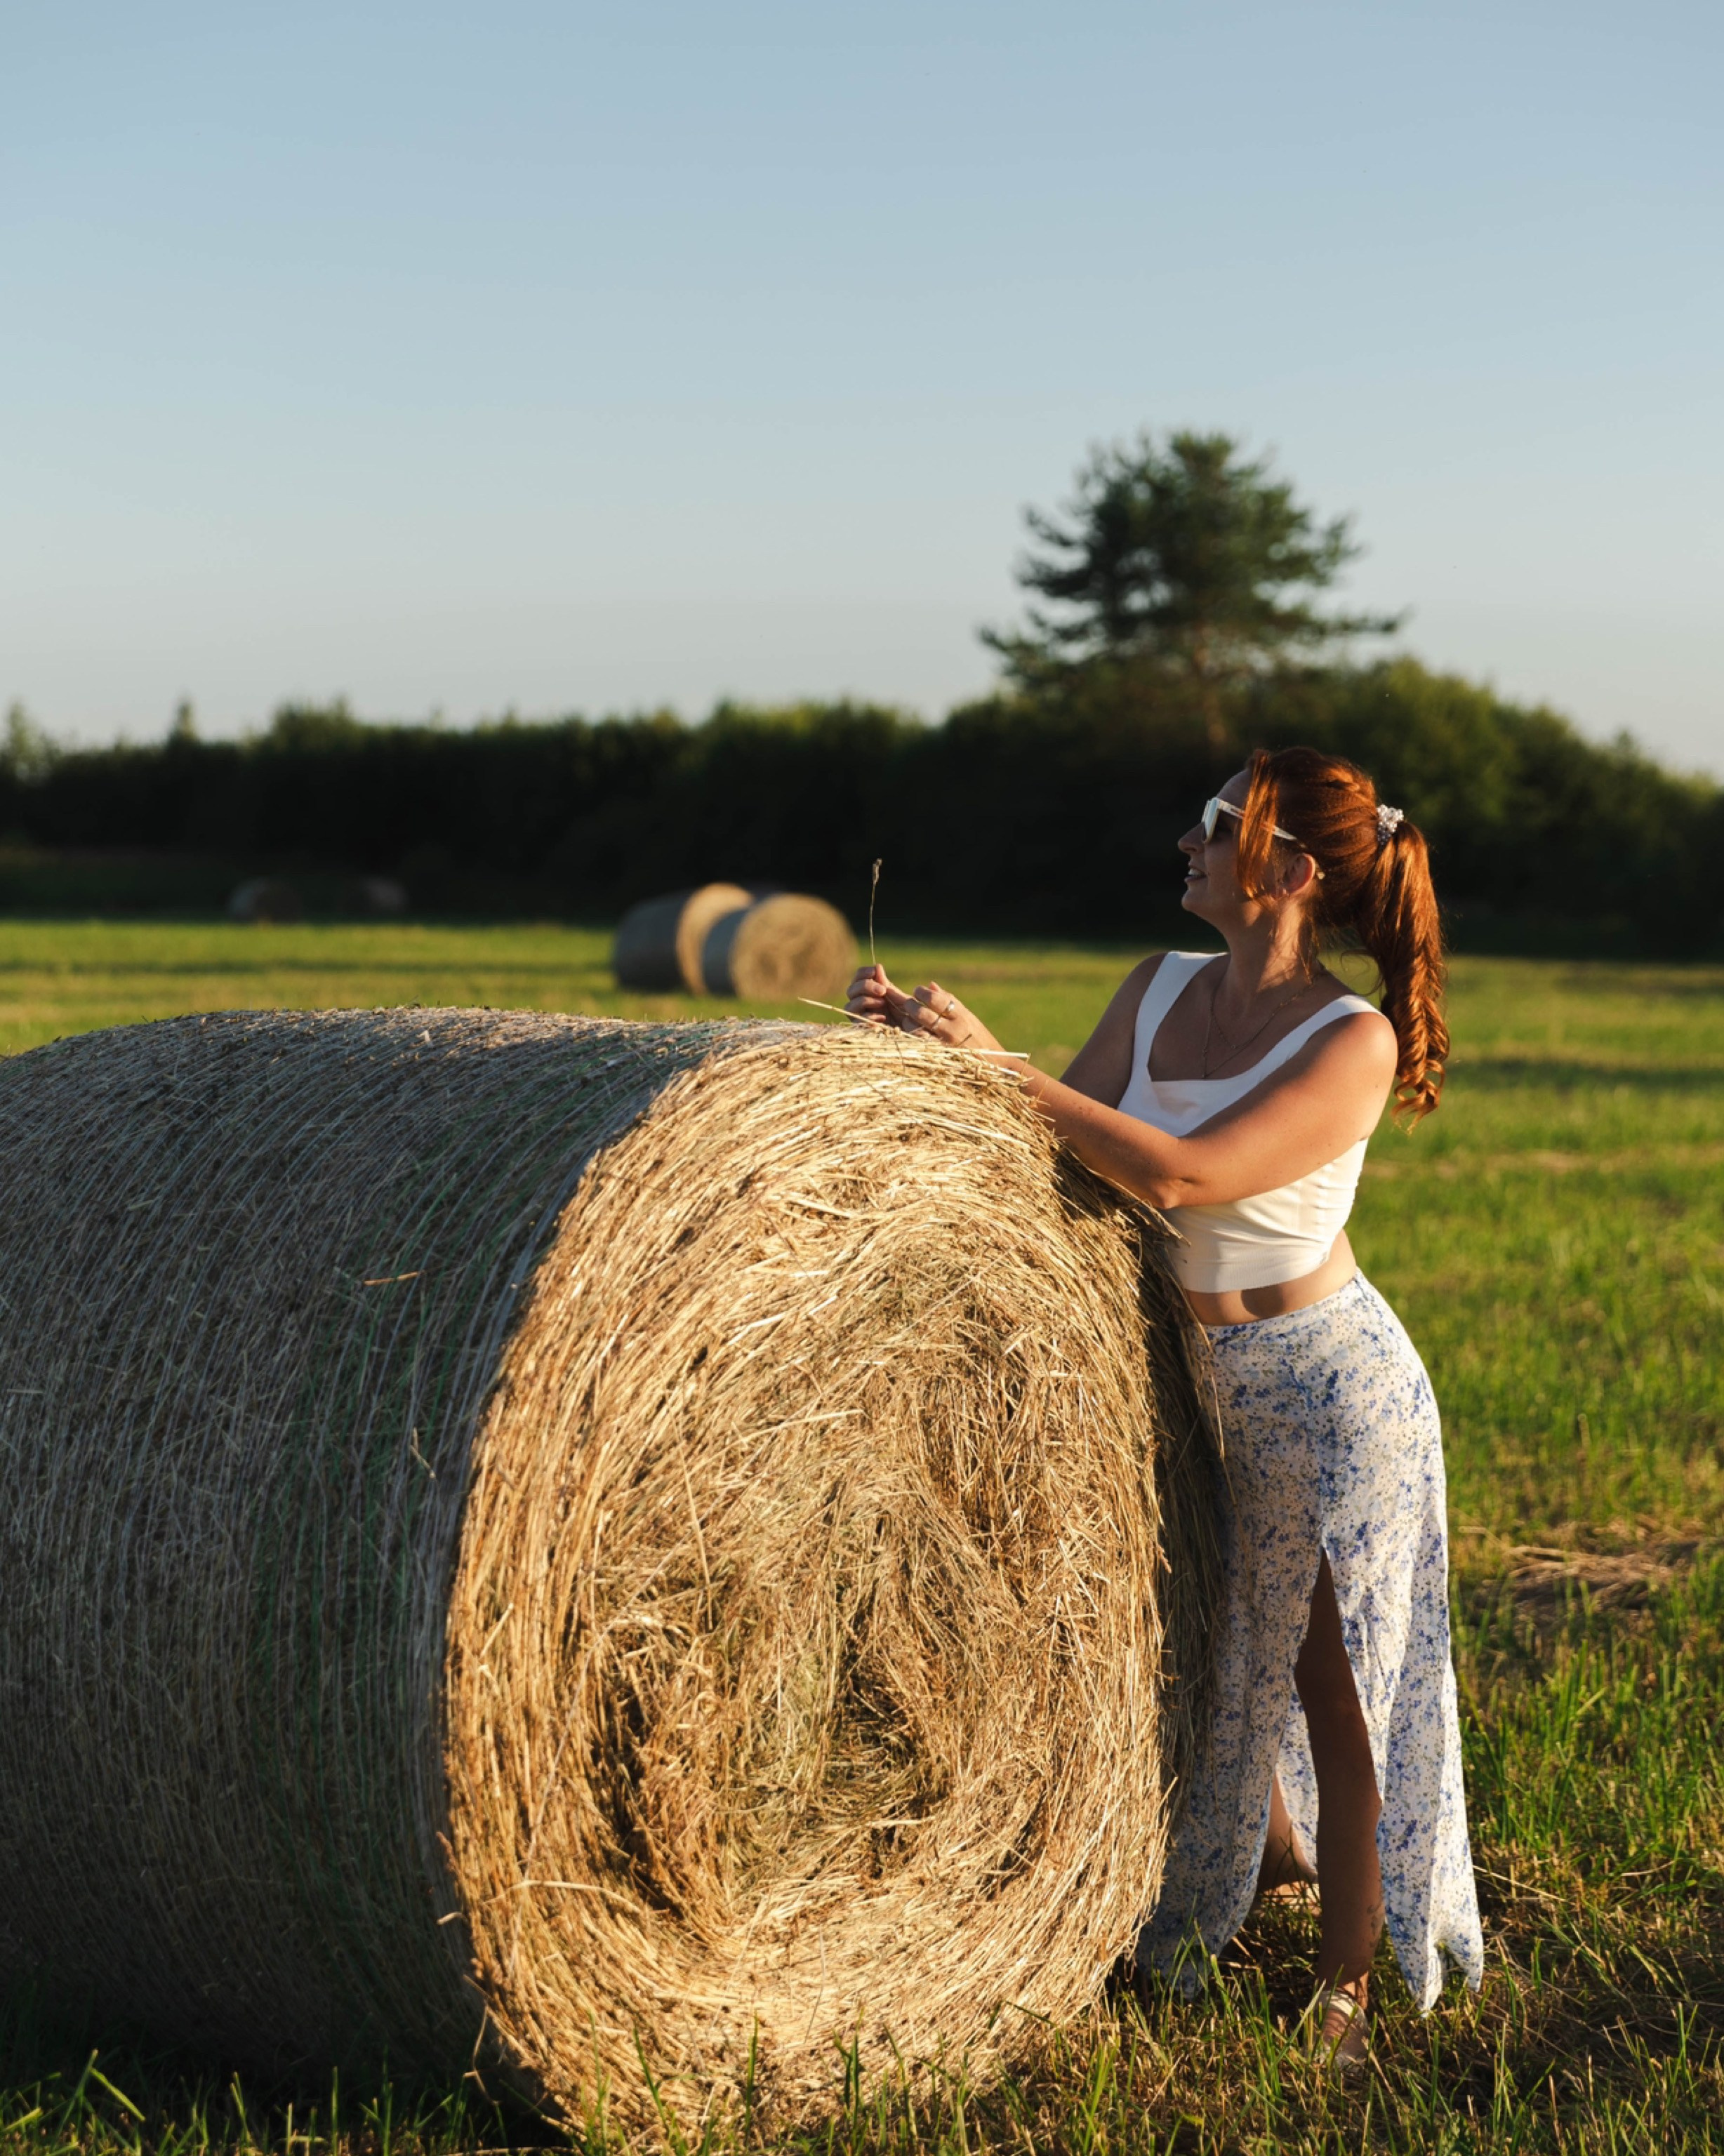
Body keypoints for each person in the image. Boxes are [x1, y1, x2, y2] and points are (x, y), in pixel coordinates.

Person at [846, 745, 1484, 2065]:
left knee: (1338, 1674)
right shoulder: (1156, 987)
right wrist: (927, 1065)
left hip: (1328, 1390)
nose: (1188, 840)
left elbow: (1187, 1178)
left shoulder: (1350, 1041)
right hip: (1197, 1380)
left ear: (1292, 871)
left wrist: (999, 1067)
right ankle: (1282, 1862)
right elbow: (1055, 1144)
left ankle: (1352, 1982)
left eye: (1217, 823)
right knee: (1225, 1645)